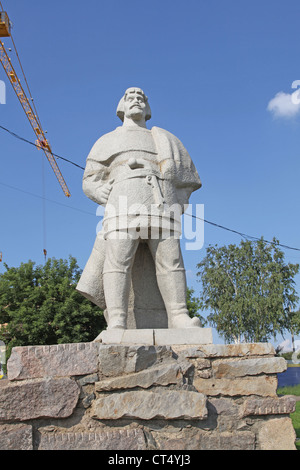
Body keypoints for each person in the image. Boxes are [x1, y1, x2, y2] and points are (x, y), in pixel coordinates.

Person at [77, 87, 202, 330]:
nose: (136, 101)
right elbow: (90, 179)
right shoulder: (107, 140)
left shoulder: (164, 138)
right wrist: (99, 190)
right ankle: (117, 319)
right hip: (122, 201)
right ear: (121, 106)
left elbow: (186, 180)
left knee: (171, 259)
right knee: (117, 260)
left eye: (141, 98)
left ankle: (178, 316)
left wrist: (177, 199)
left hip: (160, 200)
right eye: (130, 98)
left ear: (148, 108)